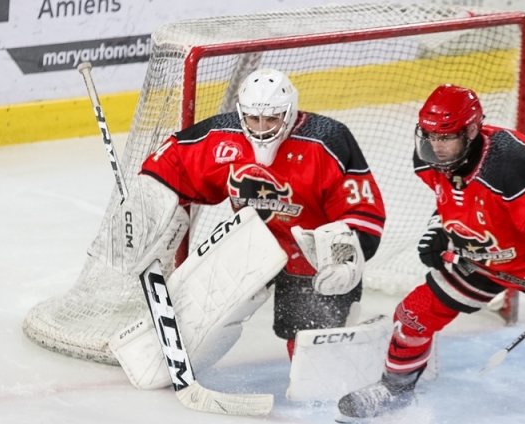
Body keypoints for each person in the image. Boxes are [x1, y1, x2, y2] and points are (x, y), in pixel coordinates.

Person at [337, 84, 525, 422]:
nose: (435, 147)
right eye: (429, 136)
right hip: (485, 257)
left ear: (470, 131)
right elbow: (455, 199)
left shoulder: (507, 167)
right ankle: (394, 392)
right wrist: (439, 228)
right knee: (413, 315)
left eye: (445, 138)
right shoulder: (429, 158)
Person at [139, 68, 386, 360]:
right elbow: (169, 165)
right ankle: (172, 355)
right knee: (203, 307)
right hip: (251, 242)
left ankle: (370, 349)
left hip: (310, 253)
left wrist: (345, 258)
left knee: (310, 344)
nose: (262, 127)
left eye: (272, 118)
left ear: (289, 112)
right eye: (254, 119)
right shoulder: (223, 135)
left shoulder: (328, 140)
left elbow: (361, 209)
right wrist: (153, 207)